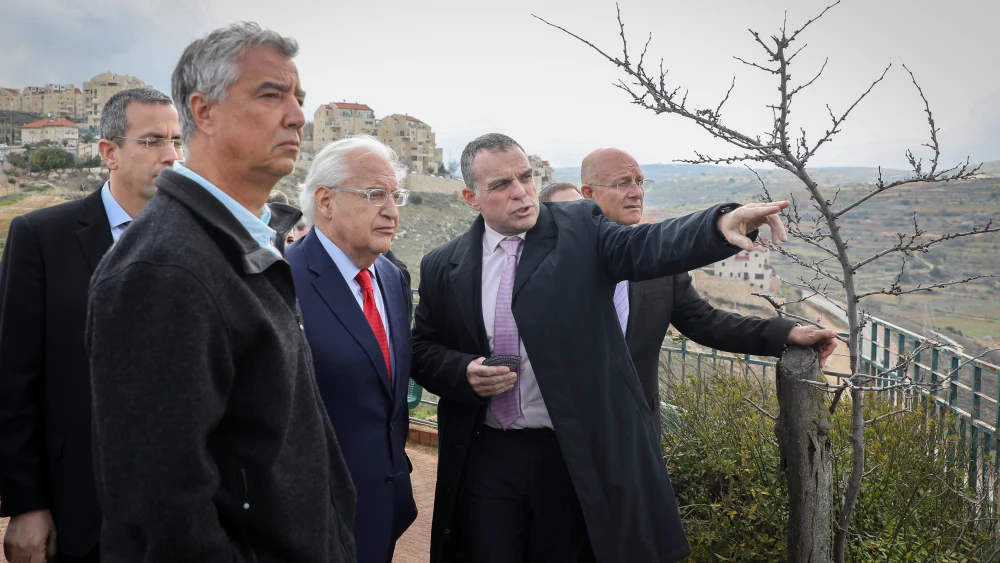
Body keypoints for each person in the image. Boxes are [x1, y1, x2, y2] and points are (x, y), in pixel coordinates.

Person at [411, 132, 790, 563]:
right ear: (471, 198)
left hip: (570, 457)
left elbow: (649, 244)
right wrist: (461, 372)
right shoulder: (444, 264)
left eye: (525, 177)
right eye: (500, 185)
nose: (520, 192)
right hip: (486, 456)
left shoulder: (580, 229)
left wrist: (719, 224)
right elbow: (423, 348)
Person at [85, 22, 356, 563]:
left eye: (299, 98)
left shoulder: (235, 242)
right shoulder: (165, 269)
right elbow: (163, 509)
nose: (298, 116)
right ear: (203, 112)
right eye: (271, 95)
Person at [0, 87, 181, 563]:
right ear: (109, 153)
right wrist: (26, 505)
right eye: (152, 141)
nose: (171, 155)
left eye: (178, 141)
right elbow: (13, 380)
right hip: (77, 510)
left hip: (184, 517)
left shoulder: (205, 246)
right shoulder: (42, 239)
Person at [580, 147, 838, 441]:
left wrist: (787, 333)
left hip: (636, 434)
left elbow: (706, 322)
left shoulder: (660, 267)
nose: (636, 192)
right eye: (622, 183)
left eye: (640, 182)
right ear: (588, 193)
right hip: (568, 434)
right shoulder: (563, 262)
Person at [287, 136, 417, 563]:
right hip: (311, 520)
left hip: (385, 508)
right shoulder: (280, 282)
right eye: (373, 195)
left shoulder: (392, 279)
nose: (392, 211)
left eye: (395, 196)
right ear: (325, 201)